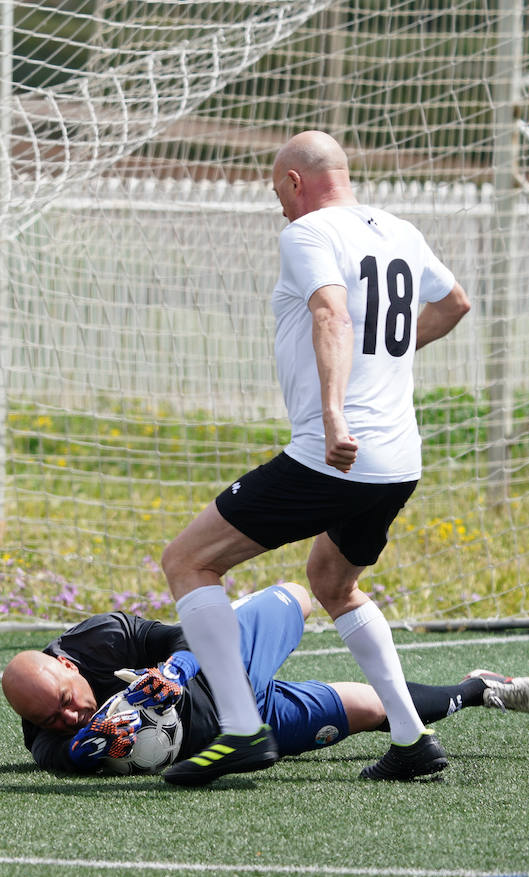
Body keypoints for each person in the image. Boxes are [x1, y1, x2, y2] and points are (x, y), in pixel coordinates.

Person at [158, 129, 473, 786]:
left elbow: (330, 313)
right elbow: (454, 304)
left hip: (333, 457)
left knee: (188, 561)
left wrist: (336, 411)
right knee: (333, 583)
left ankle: (242, 729)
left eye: (279, 192)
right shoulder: (400, 231)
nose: (279, 207)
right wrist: (386, 362)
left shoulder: (307, 235)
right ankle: (413, 740)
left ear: (296, 182)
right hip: (398, 463)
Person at [0, 583, 529, 775]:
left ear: (68, 667)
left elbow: (179, 636)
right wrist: (86, 745)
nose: (68, 716)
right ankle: (478, 689)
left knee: (295, 594)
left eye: (68, 702)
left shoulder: (101, 639)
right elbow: (53, 755)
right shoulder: (45, 732)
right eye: (50, 718)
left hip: (226, 673)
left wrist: (172, 672)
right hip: (232, 729)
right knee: (374, 711)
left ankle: (245, 616)